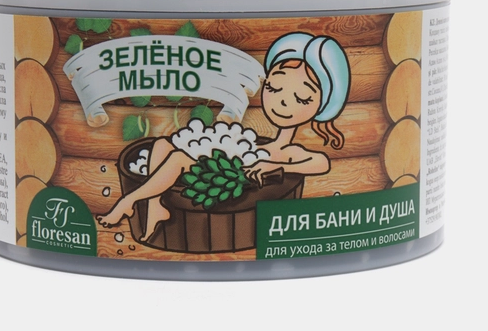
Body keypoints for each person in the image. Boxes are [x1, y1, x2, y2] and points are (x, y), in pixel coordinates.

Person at [97, 33, 351, 241]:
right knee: (162, 144)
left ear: (321, 106)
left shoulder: (291, 152)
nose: (283, 101)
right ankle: (154, 208)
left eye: (302, 98)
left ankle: (129, 201)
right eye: (274, 87)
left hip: (226, 187)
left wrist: (274, 166)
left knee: (177, 158)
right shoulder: (259, 143)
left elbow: (322, 163)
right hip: (210, 172)